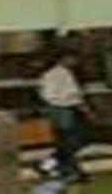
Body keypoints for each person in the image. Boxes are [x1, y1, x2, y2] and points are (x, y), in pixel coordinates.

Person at [38, 52, 89, 183]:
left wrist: (79, 104)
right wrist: (69, 100)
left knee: (70, 143)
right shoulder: (52, 75)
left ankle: (49, 165)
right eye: (73, 58)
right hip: (61, 109)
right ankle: (71, 171)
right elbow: (49, 95)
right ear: (64, 58)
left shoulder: (66, 73)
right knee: (69, 142)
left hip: (68, 109)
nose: (76, 61)